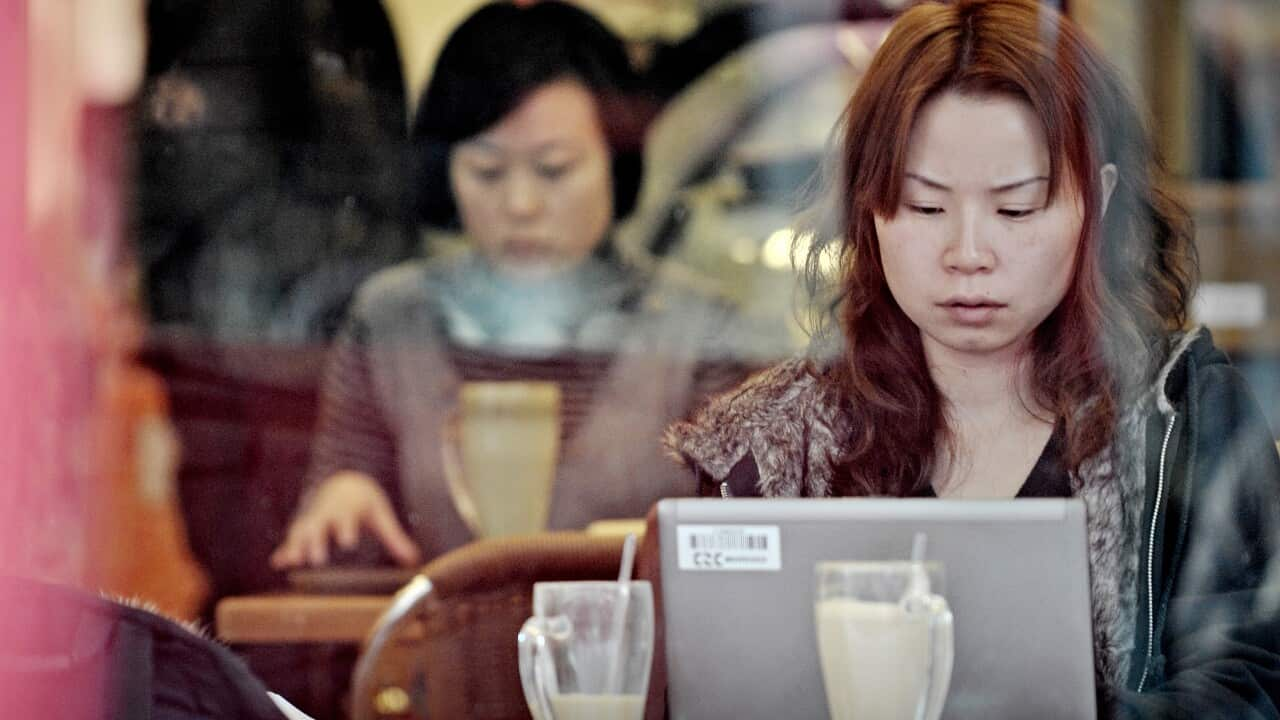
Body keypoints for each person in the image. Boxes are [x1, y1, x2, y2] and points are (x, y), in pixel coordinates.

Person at [663, 0, 1280, 716]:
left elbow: (1252, 680)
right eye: (926, 208)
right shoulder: (769, 447)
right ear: (868, 207)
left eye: (1016, 209)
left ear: (1098, 205)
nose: (968, 255)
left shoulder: (1185, 417)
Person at [271, 1, 778, 570]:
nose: (520, 204)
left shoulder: (697, 331)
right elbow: (343, 510)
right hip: (445, 650)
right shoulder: (393, 317)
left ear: (618, 163)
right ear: (446, 171)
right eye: (487, 171)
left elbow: (748, 547)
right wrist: (343, 501)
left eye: (554, 168)